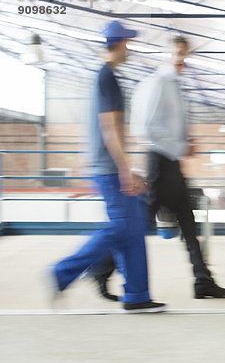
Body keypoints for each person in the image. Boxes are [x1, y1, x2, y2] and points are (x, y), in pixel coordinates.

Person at [90, 35, 225, 300]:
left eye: (186, 54)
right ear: (167, 54)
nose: (182, 59)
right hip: (159, 162)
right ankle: (102, 270)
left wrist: (182, 144)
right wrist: (179, 146)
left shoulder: (175, 86)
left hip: (171, 164)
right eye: (178, 53)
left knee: (188, 223)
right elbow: (144, 128)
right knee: (139, 222)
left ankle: (203, 280)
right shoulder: (157, 83)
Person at [49, 20, 166, 313]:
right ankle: (63, 272)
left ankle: (137, 295)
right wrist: (126, 168)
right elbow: (110, 128)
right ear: (120, 44)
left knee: (132, 226)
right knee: (121, 227)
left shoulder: (105, 77)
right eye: (128, 43)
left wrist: (128, 166)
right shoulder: (107, 78)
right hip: (109, 168)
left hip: (108, 166)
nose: (130, 49)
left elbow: (111, 130)